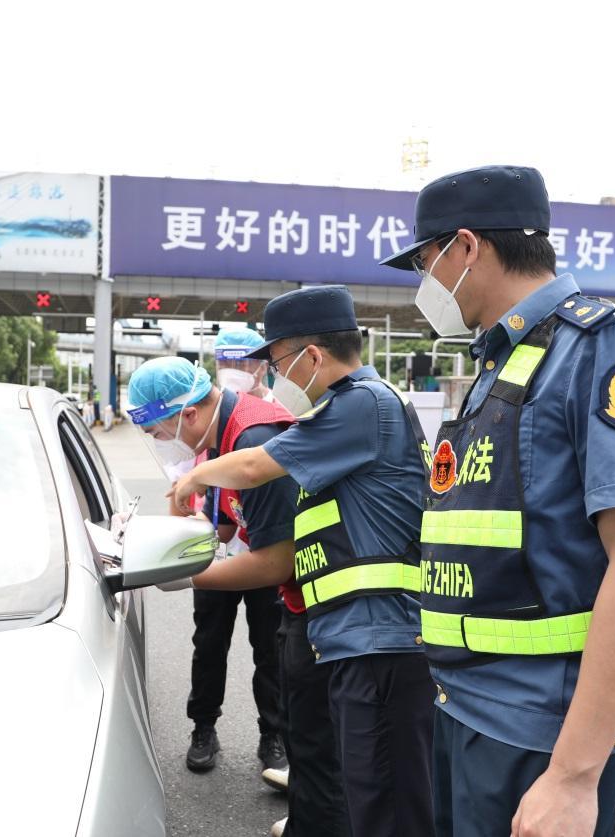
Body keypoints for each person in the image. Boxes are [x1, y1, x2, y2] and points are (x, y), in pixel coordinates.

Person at [379, 165, 615, 837]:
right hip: (467, 704)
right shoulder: (502, 358)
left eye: (424, 262)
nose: (424, 282)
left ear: (464, 248)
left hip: (536, 729)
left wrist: (574, 777)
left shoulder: (598, 348)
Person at [170, 285, 435, 837]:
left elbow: (250, 469)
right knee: (364, 792)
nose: (272, 377)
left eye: (278, 361)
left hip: (381, 639)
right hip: (355, 634)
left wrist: (194, 475)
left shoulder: (359, 404)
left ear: (312, 356)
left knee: (387, 805)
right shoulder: (353, 408)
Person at [125, 358, 288, 783]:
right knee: (210, 644)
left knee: (273, 655)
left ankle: (277, 739)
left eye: (157, 432)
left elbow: (275, 563)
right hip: (260, 567)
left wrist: (185, 574)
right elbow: (231, 522)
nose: (160, 443)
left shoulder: (252, 437)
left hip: (310, 596)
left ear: (189, 414)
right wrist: (172, 523)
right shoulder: (220, 439)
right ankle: (204, 727)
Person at [213, 327, 273, 400]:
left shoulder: (278, 407)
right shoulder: (215, 408)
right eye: (224, 363)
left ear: (263, 368)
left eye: (240, 363)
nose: (231, 372)